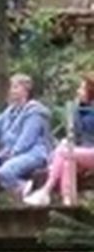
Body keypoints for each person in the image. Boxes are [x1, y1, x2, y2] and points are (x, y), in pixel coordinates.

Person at [0, 73, 52, 204]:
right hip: (9, 153)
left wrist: (11, 154)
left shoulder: (35, 112)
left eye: (16, 87)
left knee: (6, 171)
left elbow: (27, 140)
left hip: (32, 153)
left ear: (26, 90)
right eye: (12, 87)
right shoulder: (11, 110)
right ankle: (24, 189)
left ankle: (28, 192)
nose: (12, 91)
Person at [25, 74, 94, 206]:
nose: (78, 91)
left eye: (82, 88)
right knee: (67, 162)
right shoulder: (79, 109)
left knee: (63, 151)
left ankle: (46, 190)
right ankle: (67, 202)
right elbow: (75, 134)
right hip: (84, 152)